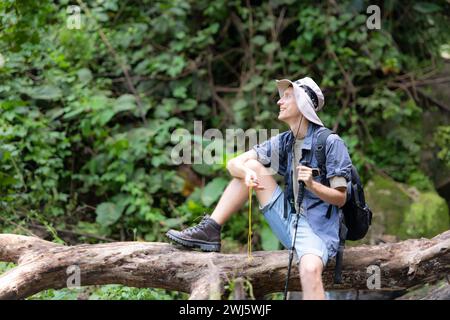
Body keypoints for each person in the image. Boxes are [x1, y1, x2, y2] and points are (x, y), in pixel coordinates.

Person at [166, 77, 352, 299]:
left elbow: (341, 199)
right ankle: (211, 229)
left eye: (287, 97)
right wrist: (247, 173)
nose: (279, 102)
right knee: (251, 165)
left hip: (319, 231)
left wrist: (312, 185)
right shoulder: (285, 141)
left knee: (310, 269)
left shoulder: (331, 143)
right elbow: (233, 163)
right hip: (289, 221)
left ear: (303, 104)